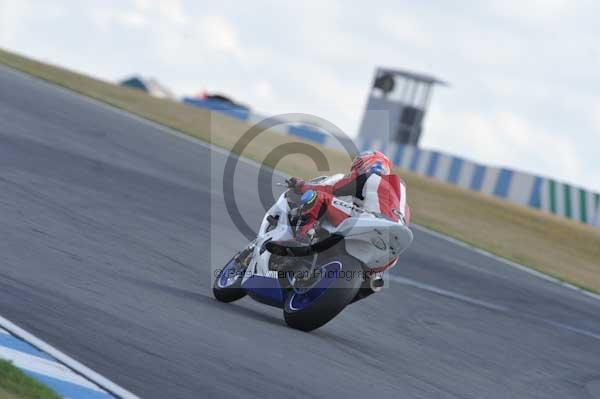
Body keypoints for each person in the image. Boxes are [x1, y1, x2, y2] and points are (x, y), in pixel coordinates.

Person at [287, 150, 410, 246]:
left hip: (371, 222)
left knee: (318, 197)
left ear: (365, 163)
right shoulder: (403, 202)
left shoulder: (368, 176)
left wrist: (301, 186)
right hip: (395, 239)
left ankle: (302, 239)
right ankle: (371, 277)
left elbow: (332, 189)